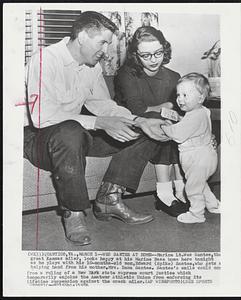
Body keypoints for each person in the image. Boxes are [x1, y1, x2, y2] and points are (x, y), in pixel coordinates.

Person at [24, 11, 172, 246]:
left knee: (147, 126)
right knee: (70, 130)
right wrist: (99, 123)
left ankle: (108, 198)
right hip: (40, 138)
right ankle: (73, 212)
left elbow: (103, 105)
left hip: (79, 135)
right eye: (102, 42)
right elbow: (42, 116)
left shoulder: (92, 67)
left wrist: (140, 120)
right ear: (82, 36)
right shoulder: (45, 59)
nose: (105, 50)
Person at [114, 26, 189, 217]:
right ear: (135, 56)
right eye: (146, 55)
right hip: (134, 124)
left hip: (163, 124)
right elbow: (137, 110)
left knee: (178, 124)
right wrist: (168, 107)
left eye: (158, 53)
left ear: (165, 49)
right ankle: (164, 193)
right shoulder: (126, 74)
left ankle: (181, 189)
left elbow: (183, 110)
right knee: (162, 123)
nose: (154, 59)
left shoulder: (174, 77)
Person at [161, 73, 220, 223]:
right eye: (178, 94)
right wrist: (179, 119)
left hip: (197, 159)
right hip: (206, 157)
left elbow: (179, 135)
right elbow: (193, 125)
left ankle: (196, 214)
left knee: (192, 188)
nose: (180, 99)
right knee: (201, 184)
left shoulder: (194, 116)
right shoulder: (202, 111)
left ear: (200, 98)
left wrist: (166, 126)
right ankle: (213, 205)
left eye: (185, 95)